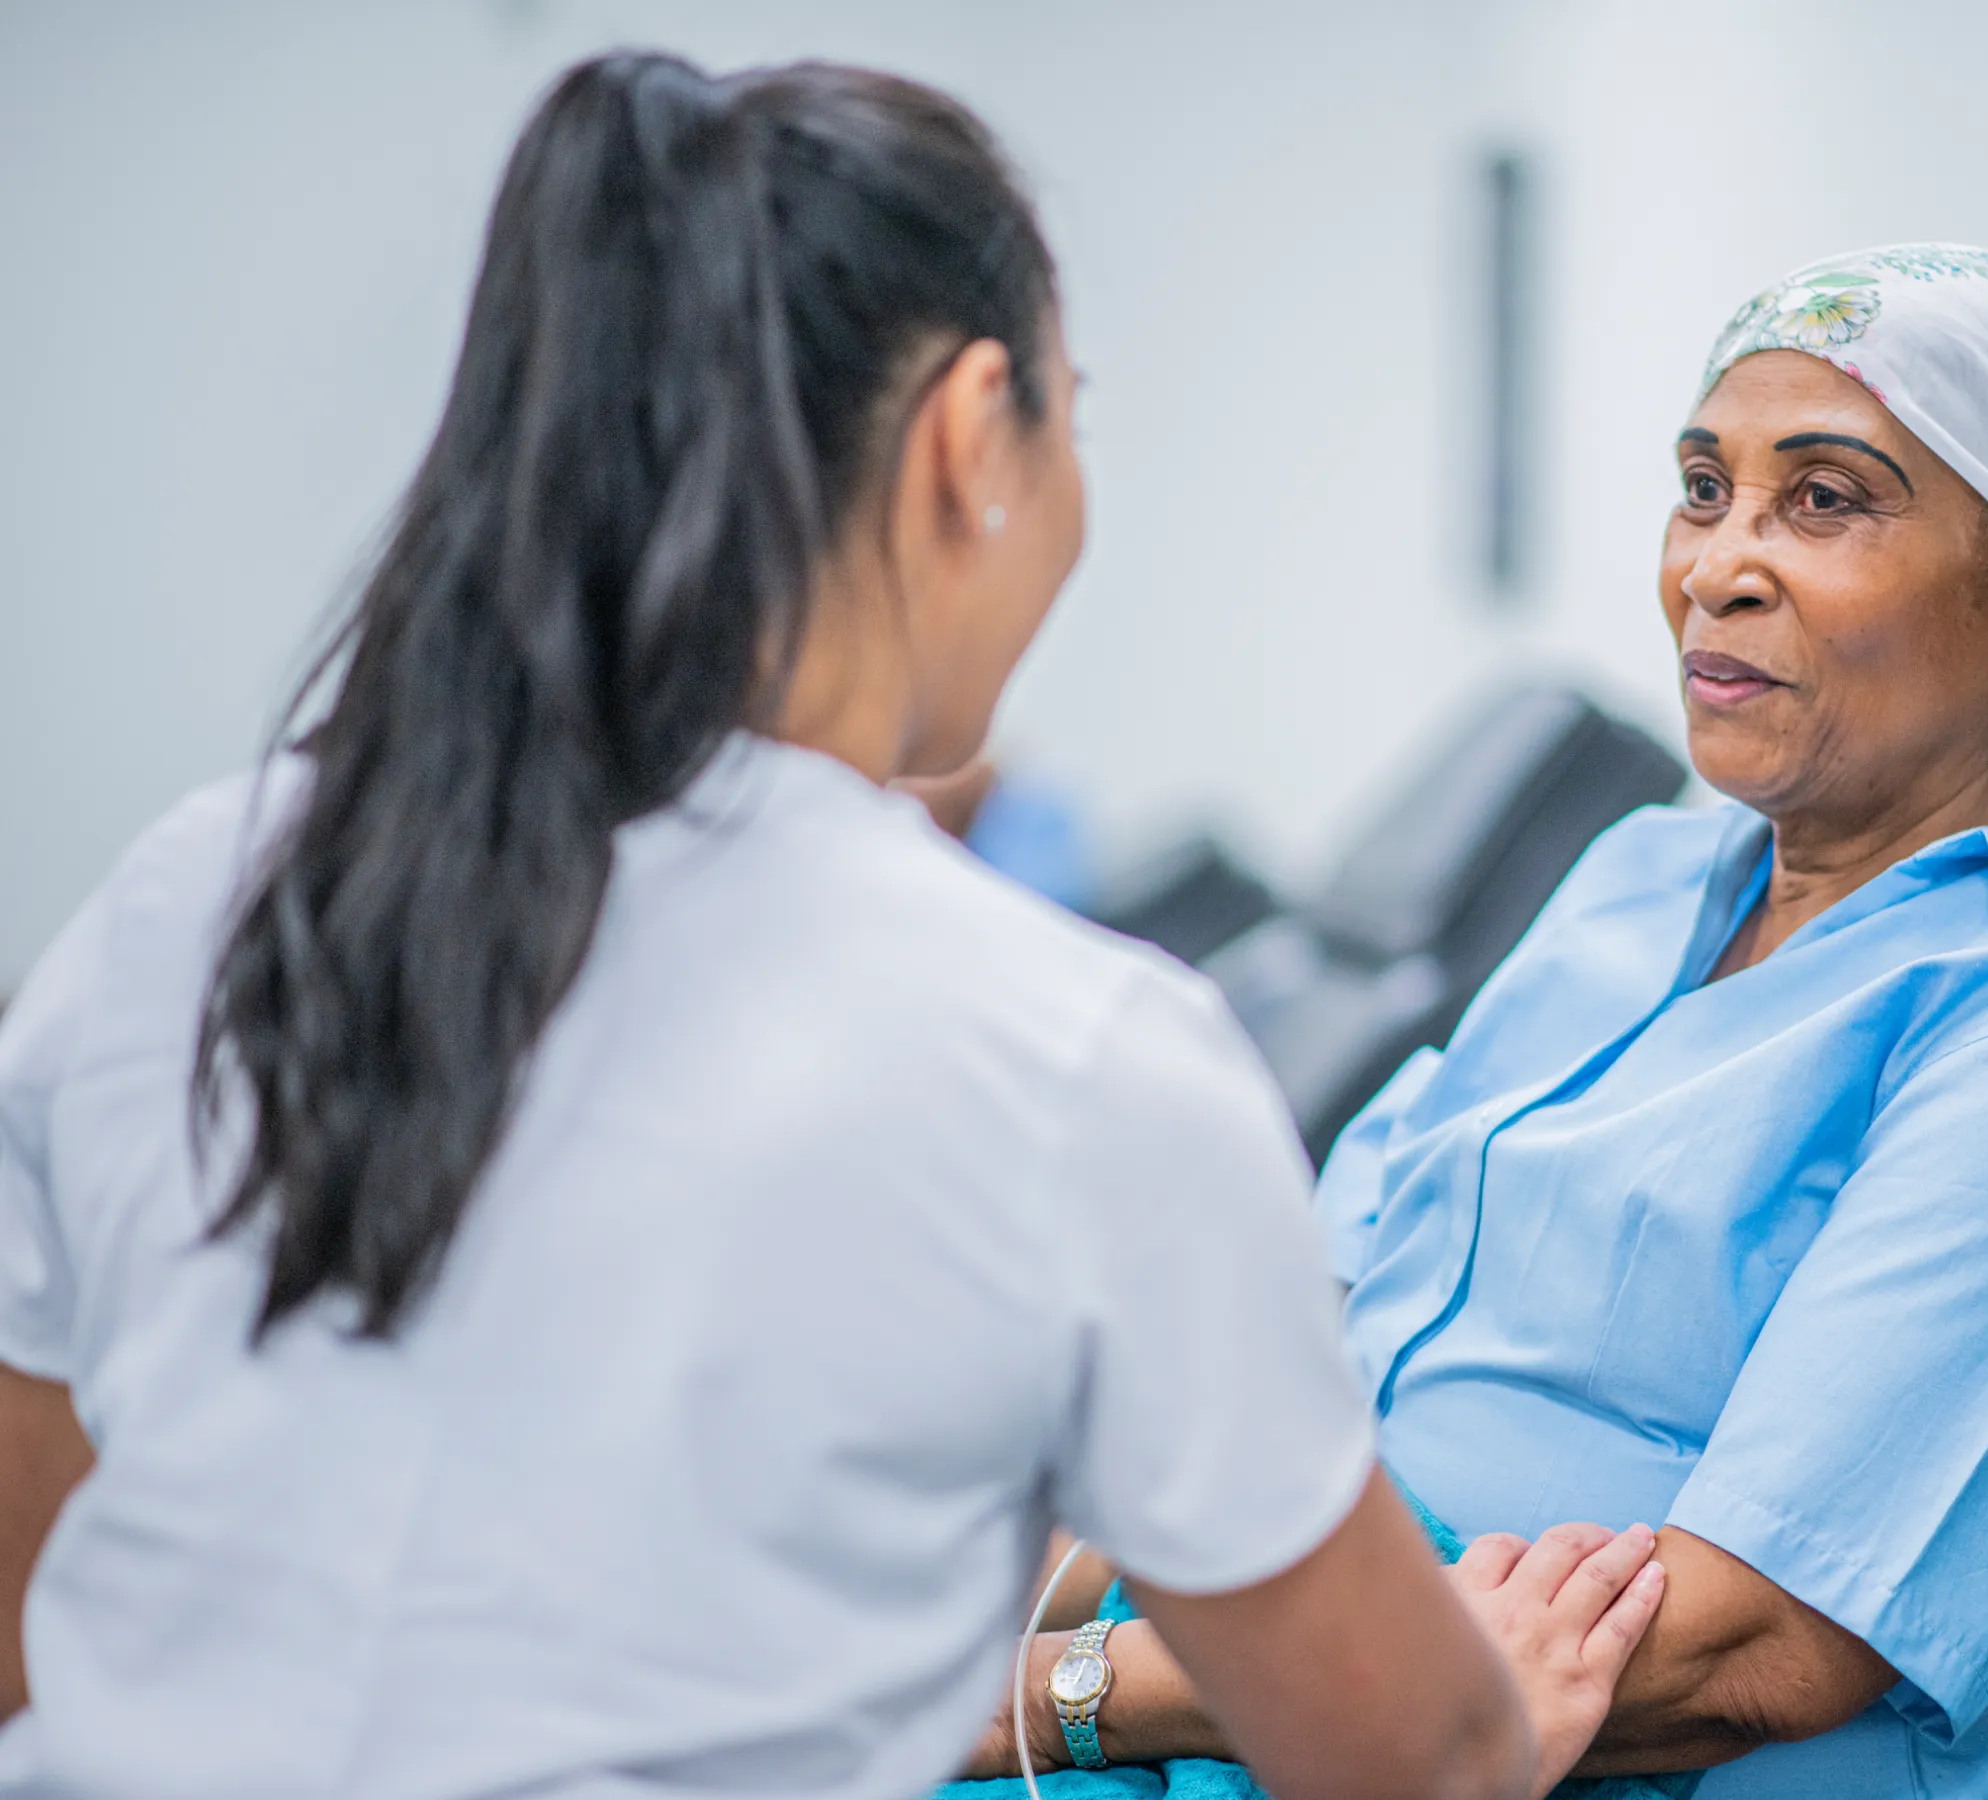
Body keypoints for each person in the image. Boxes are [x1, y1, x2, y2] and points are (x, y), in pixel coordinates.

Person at [0, 54, 1665, 1800]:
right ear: (968, 437)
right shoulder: (1076, 1057)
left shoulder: (183, 897)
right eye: (1068, 413)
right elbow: (1420, 1766)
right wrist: (1501, 1714)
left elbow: (40, 1634)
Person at [954, 246, 1988, 1798]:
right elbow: (1289, 1345)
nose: (1715, 566)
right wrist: (1002, 1639)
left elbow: (1741, 1655)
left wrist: (1059, 1698)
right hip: (1290, 1668)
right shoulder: (1643, 877)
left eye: (1825, 500)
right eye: (1701, 487)